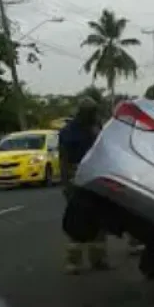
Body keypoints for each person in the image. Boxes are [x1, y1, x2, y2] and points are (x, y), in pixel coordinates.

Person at [59, 97, 110, 273]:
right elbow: (64, 160)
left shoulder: (96, 129)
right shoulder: (68, 132)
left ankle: (98, 259)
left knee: (100, 222)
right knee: (77, 223)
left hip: (95, 178)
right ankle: (74, 262)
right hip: (79, 179)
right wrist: (66, 184)